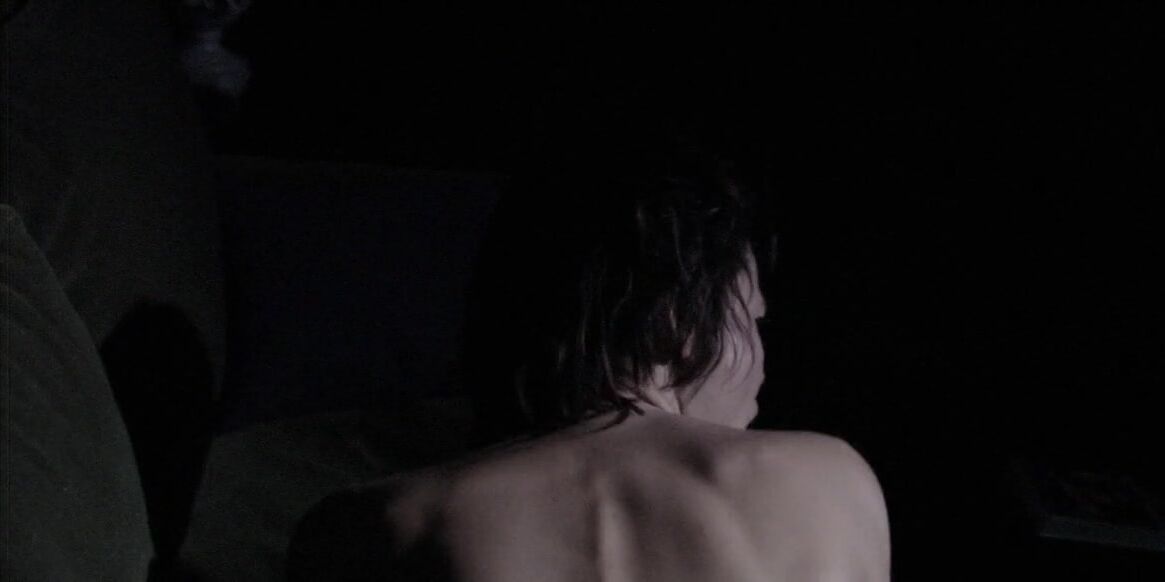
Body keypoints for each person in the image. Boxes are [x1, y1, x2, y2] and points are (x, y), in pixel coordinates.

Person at [287, 125, 891, 581]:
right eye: (752, 319)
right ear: (676, 317)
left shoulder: (374, 526)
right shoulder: (825, 479)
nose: (760, 365)